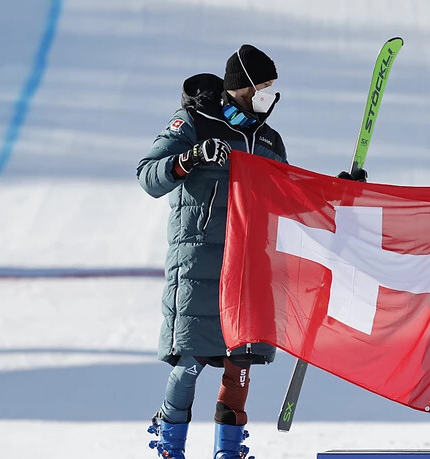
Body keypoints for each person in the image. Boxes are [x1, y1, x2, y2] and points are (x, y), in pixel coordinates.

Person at [137, 44, 365, 459]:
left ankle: (228, 449)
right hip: (200, 259)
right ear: (240, 88)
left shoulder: (269, 140)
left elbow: (291, 199)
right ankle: (170, 444)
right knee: (191, 358)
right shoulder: (192, 123)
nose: (268, 97)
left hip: (250, 262)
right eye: (262, 88)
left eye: (271, 89)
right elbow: (149, 176)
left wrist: (339, 191)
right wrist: (190, 158)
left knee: (239, 359)